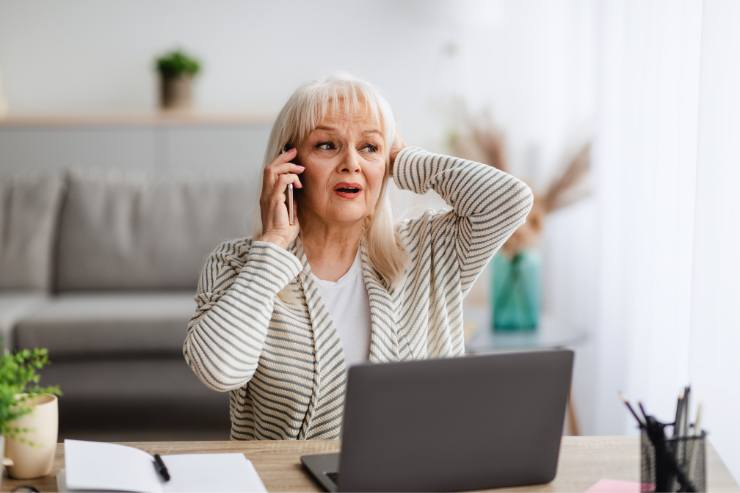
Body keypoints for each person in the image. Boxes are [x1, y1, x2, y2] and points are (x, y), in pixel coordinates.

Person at [183, 74, 534, 440]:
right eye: (326, 145)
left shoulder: (429, 249)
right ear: (289, 165)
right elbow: (218, 370)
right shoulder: (237, 264)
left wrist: (401, 159)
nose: (351, 163)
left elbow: (510, 201)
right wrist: (272, 246)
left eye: (368, 148)